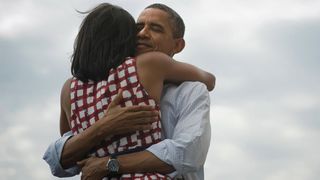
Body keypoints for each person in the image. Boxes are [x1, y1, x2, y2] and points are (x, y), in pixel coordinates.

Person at [43, 3, 214, 180]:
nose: (141, 34)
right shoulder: (136, 73)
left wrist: (108, 163)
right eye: (137, 28)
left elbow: (188, 154)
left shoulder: (190, 91)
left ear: (178, 45)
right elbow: (62, 158)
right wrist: (103, 126)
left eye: (155, 29)